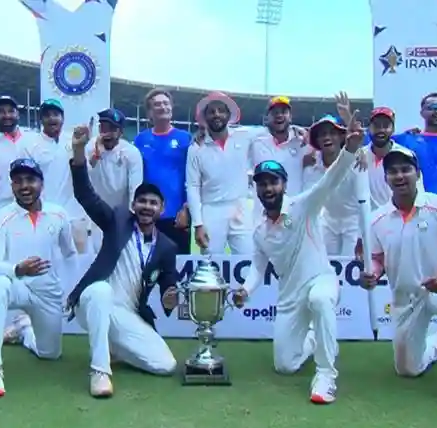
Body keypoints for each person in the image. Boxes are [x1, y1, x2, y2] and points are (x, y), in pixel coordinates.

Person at [233, 112, 364, 404]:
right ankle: (315, 337)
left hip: (321, 281)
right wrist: (245, 290)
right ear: (256, 189)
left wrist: (350, 149)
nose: (268, 189)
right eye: (262, 184)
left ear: (284, 184)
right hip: (290, 298)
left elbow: (329, 181)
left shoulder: (303, 206)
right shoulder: (260, 231)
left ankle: (326, 375)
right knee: (285, 365)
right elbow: (257, 268)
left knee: (320, 300)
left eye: (273, 182)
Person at [359, 147, 437, 413]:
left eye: (406, 170)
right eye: (393, 171)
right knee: (407, 369)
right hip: (408, 298)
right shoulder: (376, 219)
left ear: (418, 173)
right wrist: (372, 274)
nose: (400, 176)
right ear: (385, 178)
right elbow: (377, 259)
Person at [68, 123, 179, 398]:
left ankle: (114, 345)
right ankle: (100, 371)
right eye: (142, 201)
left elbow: (169, 282)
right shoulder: (117, 220)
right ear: (133, 205)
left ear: (161, 209)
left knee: (165, 365)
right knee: (101, 291)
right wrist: (79, 151)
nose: (147, 207)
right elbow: (85, 195)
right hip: (92, 301)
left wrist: (170, 296)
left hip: (127, 313)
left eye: (153, 203)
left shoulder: (167, 246)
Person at [0, 158, 77, 398]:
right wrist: (17, 269)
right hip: (16, 286)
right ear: (12, 186)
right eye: (18, 181)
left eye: (30, 180)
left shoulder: (58, 215)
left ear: (41, 183)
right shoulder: (0, 218)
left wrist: (69, 289)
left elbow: (70, 254)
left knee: (50, 354)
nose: (24, 186)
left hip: (47, 291)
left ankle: (24, 330)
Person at [186, 92, 254, 255]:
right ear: (205, 117)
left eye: (221, 110)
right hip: (211, 210)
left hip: (240, 207)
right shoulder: (196, 148)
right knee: (210, 262)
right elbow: (193, 186)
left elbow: (271, 131)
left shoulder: (244, 136)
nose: (216, 115)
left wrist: (297, 130)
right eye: (211, 111)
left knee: (248, 258)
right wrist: (198, 224)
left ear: (228, 115)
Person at [134, 89, 192, 254]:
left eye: (166, 103)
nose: (163, 107)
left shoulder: (185, 138)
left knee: (178, 264)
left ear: (171, 108)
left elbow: (193, 177)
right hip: (148, 214)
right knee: (147, 263)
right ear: (150, 112)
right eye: (157, 104)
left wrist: (187, 208)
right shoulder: (140, 140)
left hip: (177, 216)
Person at [30, 98, 89, 253]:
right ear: (41, 119)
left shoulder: (74, 140)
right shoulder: (30, 144)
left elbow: (83, 167)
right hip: (45, 214)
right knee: (47, 260)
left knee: (79, 260)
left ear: (62, 118)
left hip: (75, 214)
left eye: (56, 114)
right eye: (47, 115)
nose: (52, 119)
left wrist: (80, 147)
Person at [85, 108, 144, 252]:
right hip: (93, 218)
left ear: (121, 132)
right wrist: (96, 155)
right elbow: (82, 178)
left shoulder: (131, 153)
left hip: (120, 217)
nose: (107, 133)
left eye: (112, 129)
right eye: (104, 128)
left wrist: (131, 219)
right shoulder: (90, 147)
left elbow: (135, 189)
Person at [302, 115, 360, 256]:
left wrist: (362, 235)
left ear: (341, 137)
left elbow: (364, 201)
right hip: (328, 223)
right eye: (322, 134)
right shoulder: (311, 168)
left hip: (354, 223)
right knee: (327, 262)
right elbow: (308, 202)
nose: (327, 138)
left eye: (332, 133)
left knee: (351, 263)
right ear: (317, 140)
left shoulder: (357, 163)